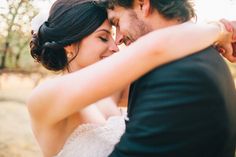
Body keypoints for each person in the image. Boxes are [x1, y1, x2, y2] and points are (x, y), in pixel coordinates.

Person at [27, 0, 235, 157]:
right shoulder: (44, 98)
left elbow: (161, 53)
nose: (116, 46)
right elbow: (156, 49)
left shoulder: (113, 90)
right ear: (69, 45)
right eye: (103, 37)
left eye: (114, 33)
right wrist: (220, 29)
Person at [96, 0, 236, 157]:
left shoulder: (183, 78)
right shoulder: (183, 60)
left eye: (117, 21)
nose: (118, 39)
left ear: (142, 5)